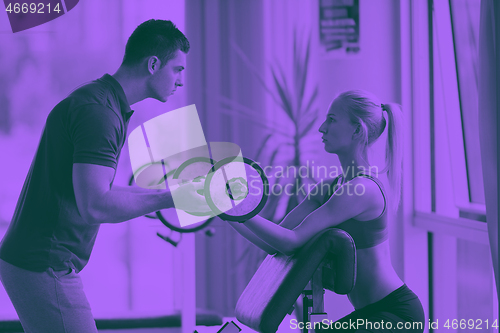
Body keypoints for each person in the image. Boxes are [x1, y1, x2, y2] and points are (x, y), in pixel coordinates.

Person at [0, 19, 208, 333]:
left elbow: (102, 190)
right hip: (43, 263)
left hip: (39, 260)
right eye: (177, 70)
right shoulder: (100, 114)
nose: (180, 81)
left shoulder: (102, 101)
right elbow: (96, 205)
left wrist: (174, 190)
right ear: (153, 64)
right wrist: (172, 197)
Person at [225, 90, 425, 332]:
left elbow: (292, 242)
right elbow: (277, 241)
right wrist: (226, 212)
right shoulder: (332, 186)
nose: (322, 128)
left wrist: (238, 210)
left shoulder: (362, 189)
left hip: (395, 313)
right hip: (367, 312)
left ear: (356, 130)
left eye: (332, 119)